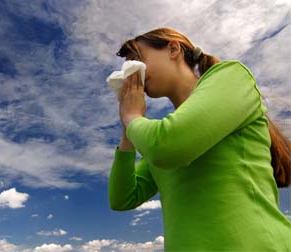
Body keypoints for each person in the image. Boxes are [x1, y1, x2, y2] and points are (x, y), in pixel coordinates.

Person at [108, 27, 291, 251]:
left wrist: (133, 116)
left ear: (173, 49)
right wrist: (127, 128)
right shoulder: (164, 134)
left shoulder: (231, 75)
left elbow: (168, 146)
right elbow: (122, 198)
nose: (131, 74)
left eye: (137, 60)